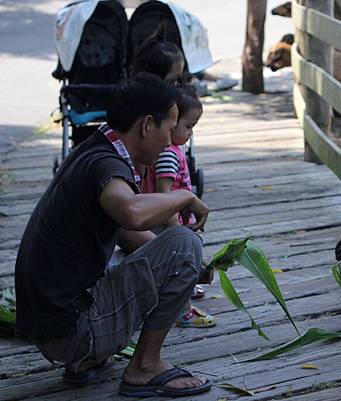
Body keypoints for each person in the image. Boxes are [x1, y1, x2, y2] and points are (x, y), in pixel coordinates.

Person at [14, 73, 213, 398]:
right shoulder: (106, 164)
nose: (171, 141)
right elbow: (131, 213)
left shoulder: (93, 149)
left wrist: (180, 264)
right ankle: (145, 367)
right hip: (76, 330)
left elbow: (122, 229)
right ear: (147, 125)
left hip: (56, 330)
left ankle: (85, 360)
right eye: (169, 128)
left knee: (177, 250)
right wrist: (184, 197)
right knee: (186, 244)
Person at [142, 83, 216, 329]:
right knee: (181, 263)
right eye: (187, 126)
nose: (190, 133)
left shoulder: (173, 151)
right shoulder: (168, 155)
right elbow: (164, 194)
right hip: (166, 223)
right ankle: (183, 312)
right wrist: (178, 231)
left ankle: (178, 303)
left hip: (170, 219)